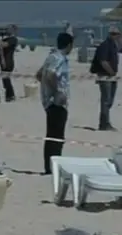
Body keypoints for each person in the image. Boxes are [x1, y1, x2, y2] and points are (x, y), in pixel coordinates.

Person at [36, 33, 73, 175]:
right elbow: (51, 74)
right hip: (57, 103)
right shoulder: (60, 59)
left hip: (48, 102)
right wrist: (58, 91)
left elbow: (39, 75)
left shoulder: (50, 57)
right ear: (69, 45)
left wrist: (47, 88)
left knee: (51, 135)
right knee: (57, 137)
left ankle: (49, 166)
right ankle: (54, 166)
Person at [92, 26, 122, 131]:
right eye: (113, 34)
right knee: (106, 100)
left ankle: (105, 121)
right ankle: (104, 124)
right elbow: (103, 61)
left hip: (111, 76)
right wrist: (111, 72)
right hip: (105, 76)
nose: (116, 36)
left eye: (117, 34)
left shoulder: (114, 45)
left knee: (109, 100)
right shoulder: (105, 45)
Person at [0, 25, 18, 102]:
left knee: (6, 79)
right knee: (5, 79)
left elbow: (3, 45)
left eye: (9, 29)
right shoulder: (6, 39)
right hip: (4, 61)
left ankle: (11, 95)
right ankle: (8, 96)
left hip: (8, 61)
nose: (7, 30)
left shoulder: (13, 39)